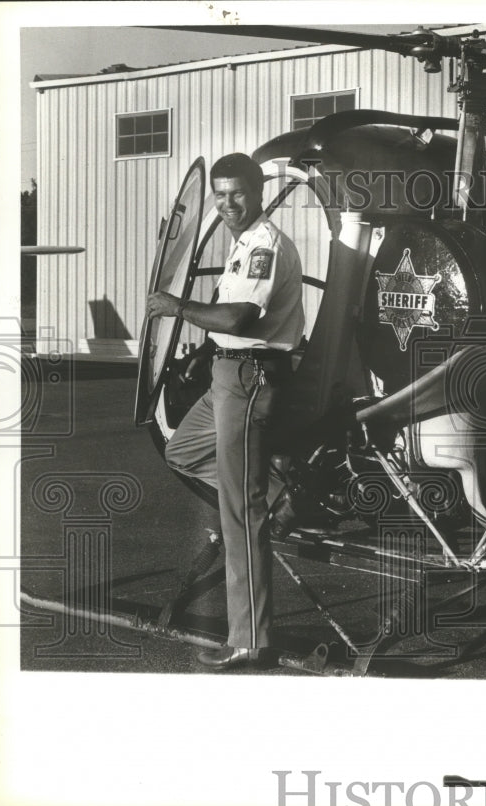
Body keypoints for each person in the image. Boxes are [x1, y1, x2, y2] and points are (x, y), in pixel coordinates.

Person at [146, 153, 304, 670]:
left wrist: (178, 308)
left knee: (240, 516)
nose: (228, 203)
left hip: (250, 376)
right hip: (225, 373)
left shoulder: (265, 246)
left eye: (237, 193)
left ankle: (250, 642)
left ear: (258, 193)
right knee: (181, 450)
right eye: (220, 194)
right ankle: (284, 496)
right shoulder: (242, 243)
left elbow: (239, 315)